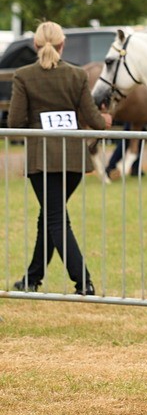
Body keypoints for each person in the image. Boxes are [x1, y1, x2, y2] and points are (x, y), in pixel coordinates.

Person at [8, 21, 111, 295]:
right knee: (51, 217)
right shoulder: (78, 75)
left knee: (55, 219)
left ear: (35, 45)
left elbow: (15, 121)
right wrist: (105, 120)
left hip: (42, 161)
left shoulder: (23, 76)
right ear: (62, 44)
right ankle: (32, 278)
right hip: (74, 160)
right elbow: (94, 120)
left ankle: (83, 281)